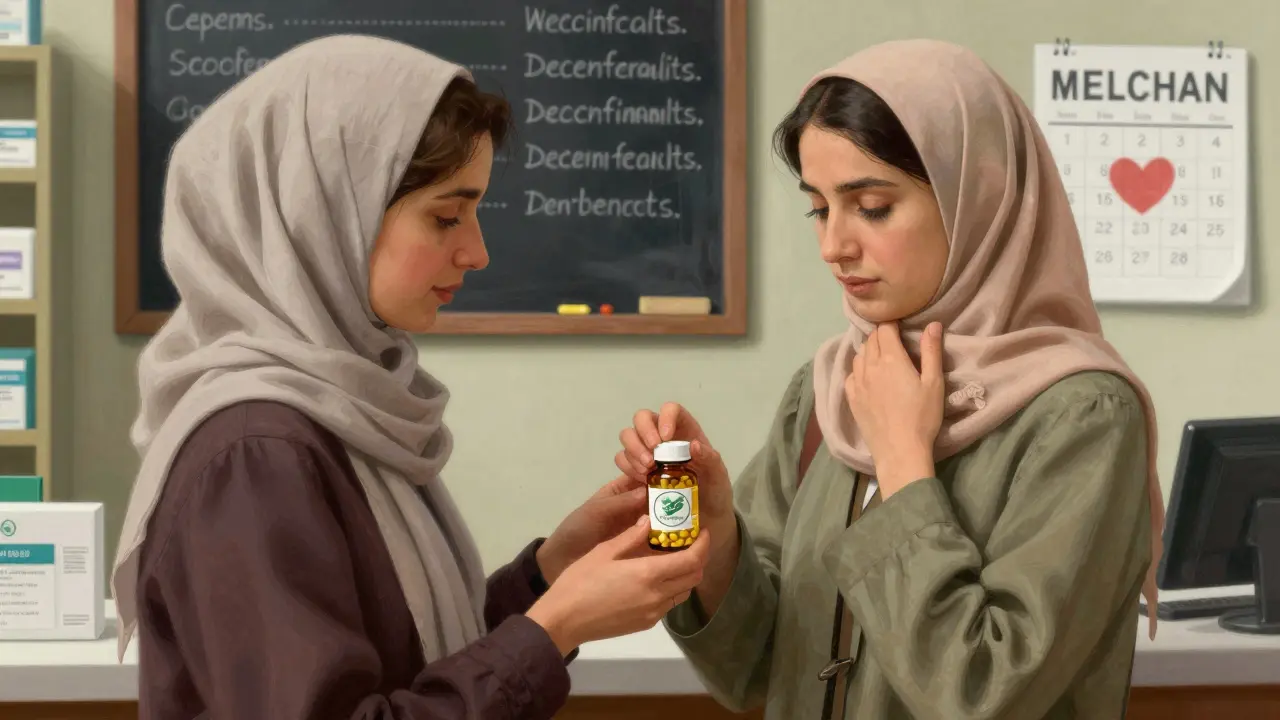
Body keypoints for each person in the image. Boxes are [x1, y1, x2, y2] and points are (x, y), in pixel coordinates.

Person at [109, 34, 709, 720]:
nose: (477, 251)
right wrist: (554, 628)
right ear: (325, 214)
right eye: (446, 216)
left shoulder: (338, 410)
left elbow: (410, 654)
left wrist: (551, 576)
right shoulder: (255, 452)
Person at [614, 39, 1165, 719]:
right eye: (819, 208)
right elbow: (756, 672)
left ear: (977, 196)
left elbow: (986, 692)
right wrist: (720, 531)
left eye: (871, 206)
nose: (833, 246)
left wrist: (904, 463)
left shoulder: (1082, 416)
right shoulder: (827, 391)